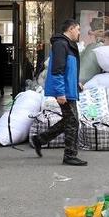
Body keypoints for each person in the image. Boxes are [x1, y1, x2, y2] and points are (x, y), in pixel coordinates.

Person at [30, 18, 86, 166]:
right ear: (71, 29)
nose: (79, 33)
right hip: (64, 91)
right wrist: (60, 92)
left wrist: (76, 83)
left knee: (69, 120)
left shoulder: (67, 44)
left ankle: (40, 139)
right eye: (78, 29)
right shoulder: (61, 44)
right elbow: (57, 70)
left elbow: (69, 68)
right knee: (73, 121)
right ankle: (69, 155)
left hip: (68, 88)